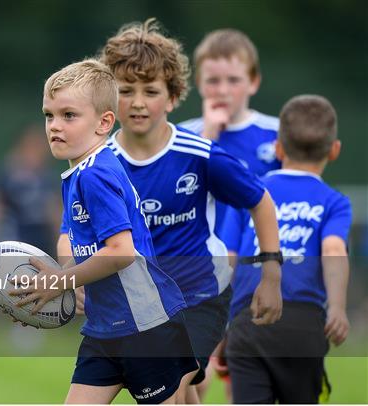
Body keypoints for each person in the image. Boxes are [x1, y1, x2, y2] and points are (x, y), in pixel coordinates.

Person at [58, 19, 282, 403]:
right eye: (126, 91)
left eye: (151, 90)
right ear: (108, 100)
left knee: (176, 386)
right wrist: (72, 274)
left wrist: (271, 273)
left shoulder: (198, 155)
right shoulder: (93, 164)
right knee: (183, 392)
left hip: (198, 298)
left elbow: (260, 201)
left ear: (174, 96)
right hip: (135, 306)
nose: (139, 102)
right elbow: (70, 233)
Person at [12, 59, 199, 404]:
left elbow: (121, 252)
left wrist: (59, 281)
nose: (54, 126)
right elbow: (77, 243)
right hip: (104, 331)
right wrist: (57, 285)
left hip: (146, 329)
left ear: (104, 123)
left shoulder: (96, 175)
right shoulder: (77, 174)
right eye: (49, 115)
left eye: (69, 115)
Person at [222, 95, 352, 403]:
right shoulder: (334, 202)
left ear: (278, 148)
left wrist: (214, 318)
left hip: (247, 321)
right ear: (334, 151)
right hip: (304, 325)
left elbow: (226, 258)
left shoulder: (249, 192)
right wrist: (336, 307)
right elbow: (333, 250)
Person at [178, 29, 281, 241]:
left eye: (233, 80)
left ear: (253, 82)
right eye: (213, 81)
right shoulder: (181, 136)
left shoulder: (278, 132)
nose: (223, 90)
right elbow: (178, 196)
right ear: (198, 83)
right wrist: (208, 137)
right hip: (202, 259)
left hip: (258, 252)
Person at [0, 125, 60, 258]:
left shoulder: (48, 179)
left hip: (41, 244)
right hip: (11, 242)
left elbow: (56, 214)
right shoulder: (5, 175)